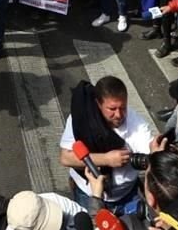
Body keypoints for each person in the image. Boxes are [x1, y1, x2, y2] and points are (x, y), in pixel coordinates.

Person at [59, 76, 156, 213]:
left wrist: (157, 150)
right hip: (88, 195)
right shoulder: (80, 120)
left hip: (127, 195)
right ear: (98, 103)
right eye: (112, 109)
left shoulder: (136, 122)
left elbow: (149, 149)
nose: (119, 114)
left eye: (123, 107)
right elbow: (66, 157)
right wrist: (106, 159)